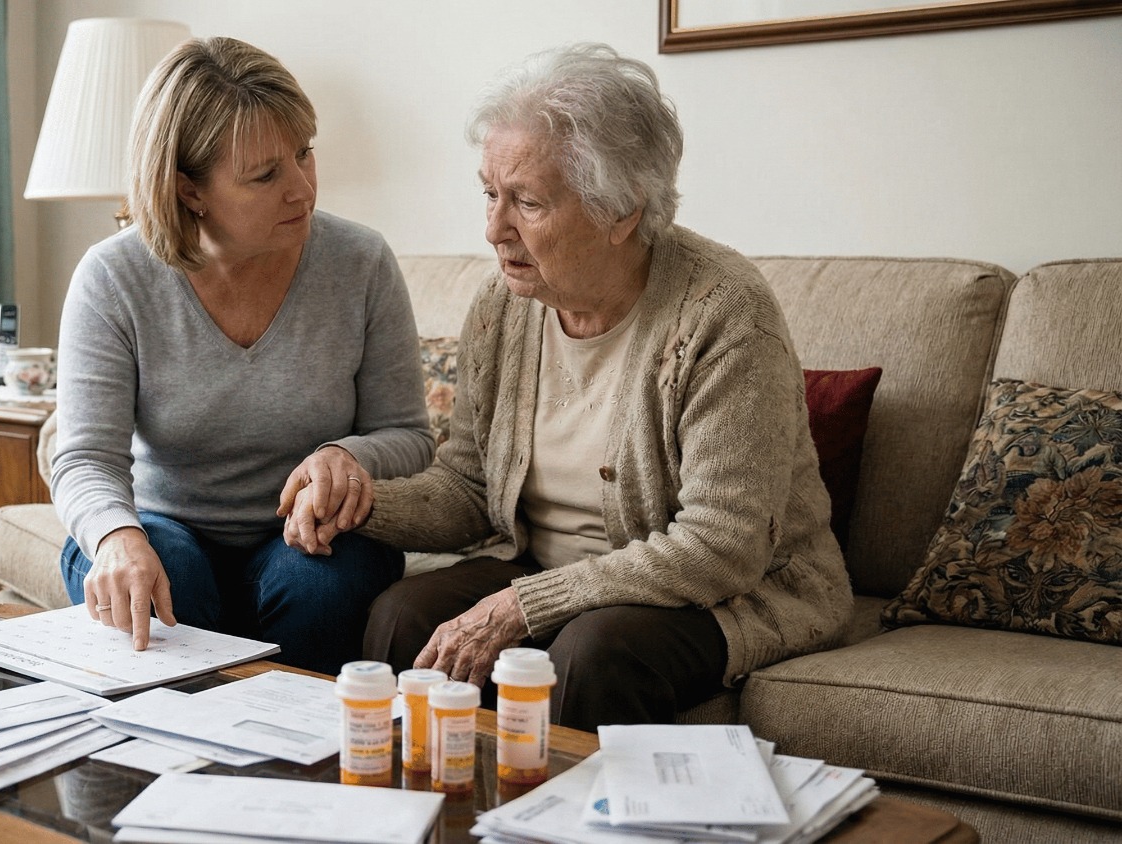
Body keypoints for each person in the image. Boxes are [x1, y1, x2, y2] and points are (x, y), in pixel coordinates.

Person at [284, 42, 853, 730]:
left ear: (622, 211)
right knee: (401, 615)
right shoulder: (503, 305)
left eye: (526, 201)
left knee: (592, 653)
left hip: (727, 591)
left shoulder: (723, 311)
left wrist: (524, 605)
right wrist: (359, 503)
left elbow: (722, 545)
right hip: (547, 569)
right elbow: (468, 488)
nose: (494, 229)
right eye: (490, 194)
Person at [52, 36, 434, 676]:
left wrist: (349, 455)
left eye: (305, 154)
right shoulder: (114, 277)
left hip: (308, 536)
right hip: (159, 523)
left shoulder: (361, 262)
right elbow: (85, 457)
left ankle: (304, 756)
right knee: (165, 577)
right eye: (266, 175)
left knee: (323, 589)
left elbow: (410, 436)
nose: (303, 188)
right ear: (189, 188)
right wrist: (116, 537)